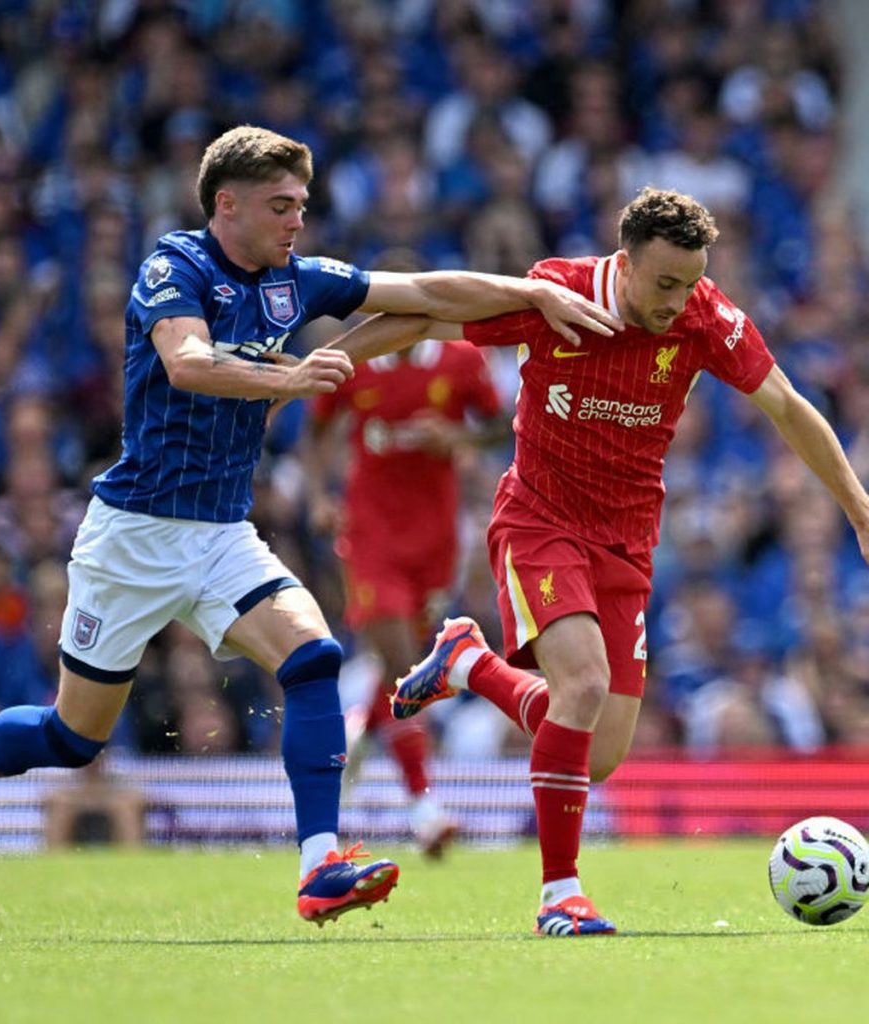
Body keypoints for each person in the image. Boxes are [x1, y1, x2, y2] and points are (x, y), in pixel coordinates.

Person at [0, 124, 620, 924]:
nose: (296, 222)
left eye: (302, 205)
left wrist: (533, 292)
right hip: (133, 536)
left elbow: (426, 295)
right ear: (226, 205)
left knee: (314, 658)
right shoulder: (175, 266)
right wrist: (298, 375)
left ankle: (319, 867)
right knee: (74, 737)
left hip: (222, 535)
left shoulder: (294, 279)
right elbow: (187, 363)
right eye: (280, 206)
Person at [327, 187, 869, 936]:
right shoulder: (559, 294)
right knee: (579, 686)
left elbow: (786, 404)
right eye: (665, 284)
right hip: (540, 521)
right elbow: (422, 315)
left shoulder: (707, 316)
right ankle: (560, 896)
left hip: (628, 542)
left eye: (690, 282)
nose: (679, 302)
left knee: (599, 754)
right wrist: (316, 366)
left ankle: (469, 663)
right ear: (626, 261)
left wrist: (860, 508)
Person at [304, 260, 506, 856]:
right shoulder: (352, 360)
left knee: (408, 664)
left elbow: (501, 425)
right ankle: (424, 808)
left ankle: (359, 735)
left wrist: (459, 440)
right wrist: (319, 496)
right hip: (370, 532)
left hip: (436, 535)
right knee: (400, 663)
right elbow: (315, 431)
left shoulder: (461, 359)